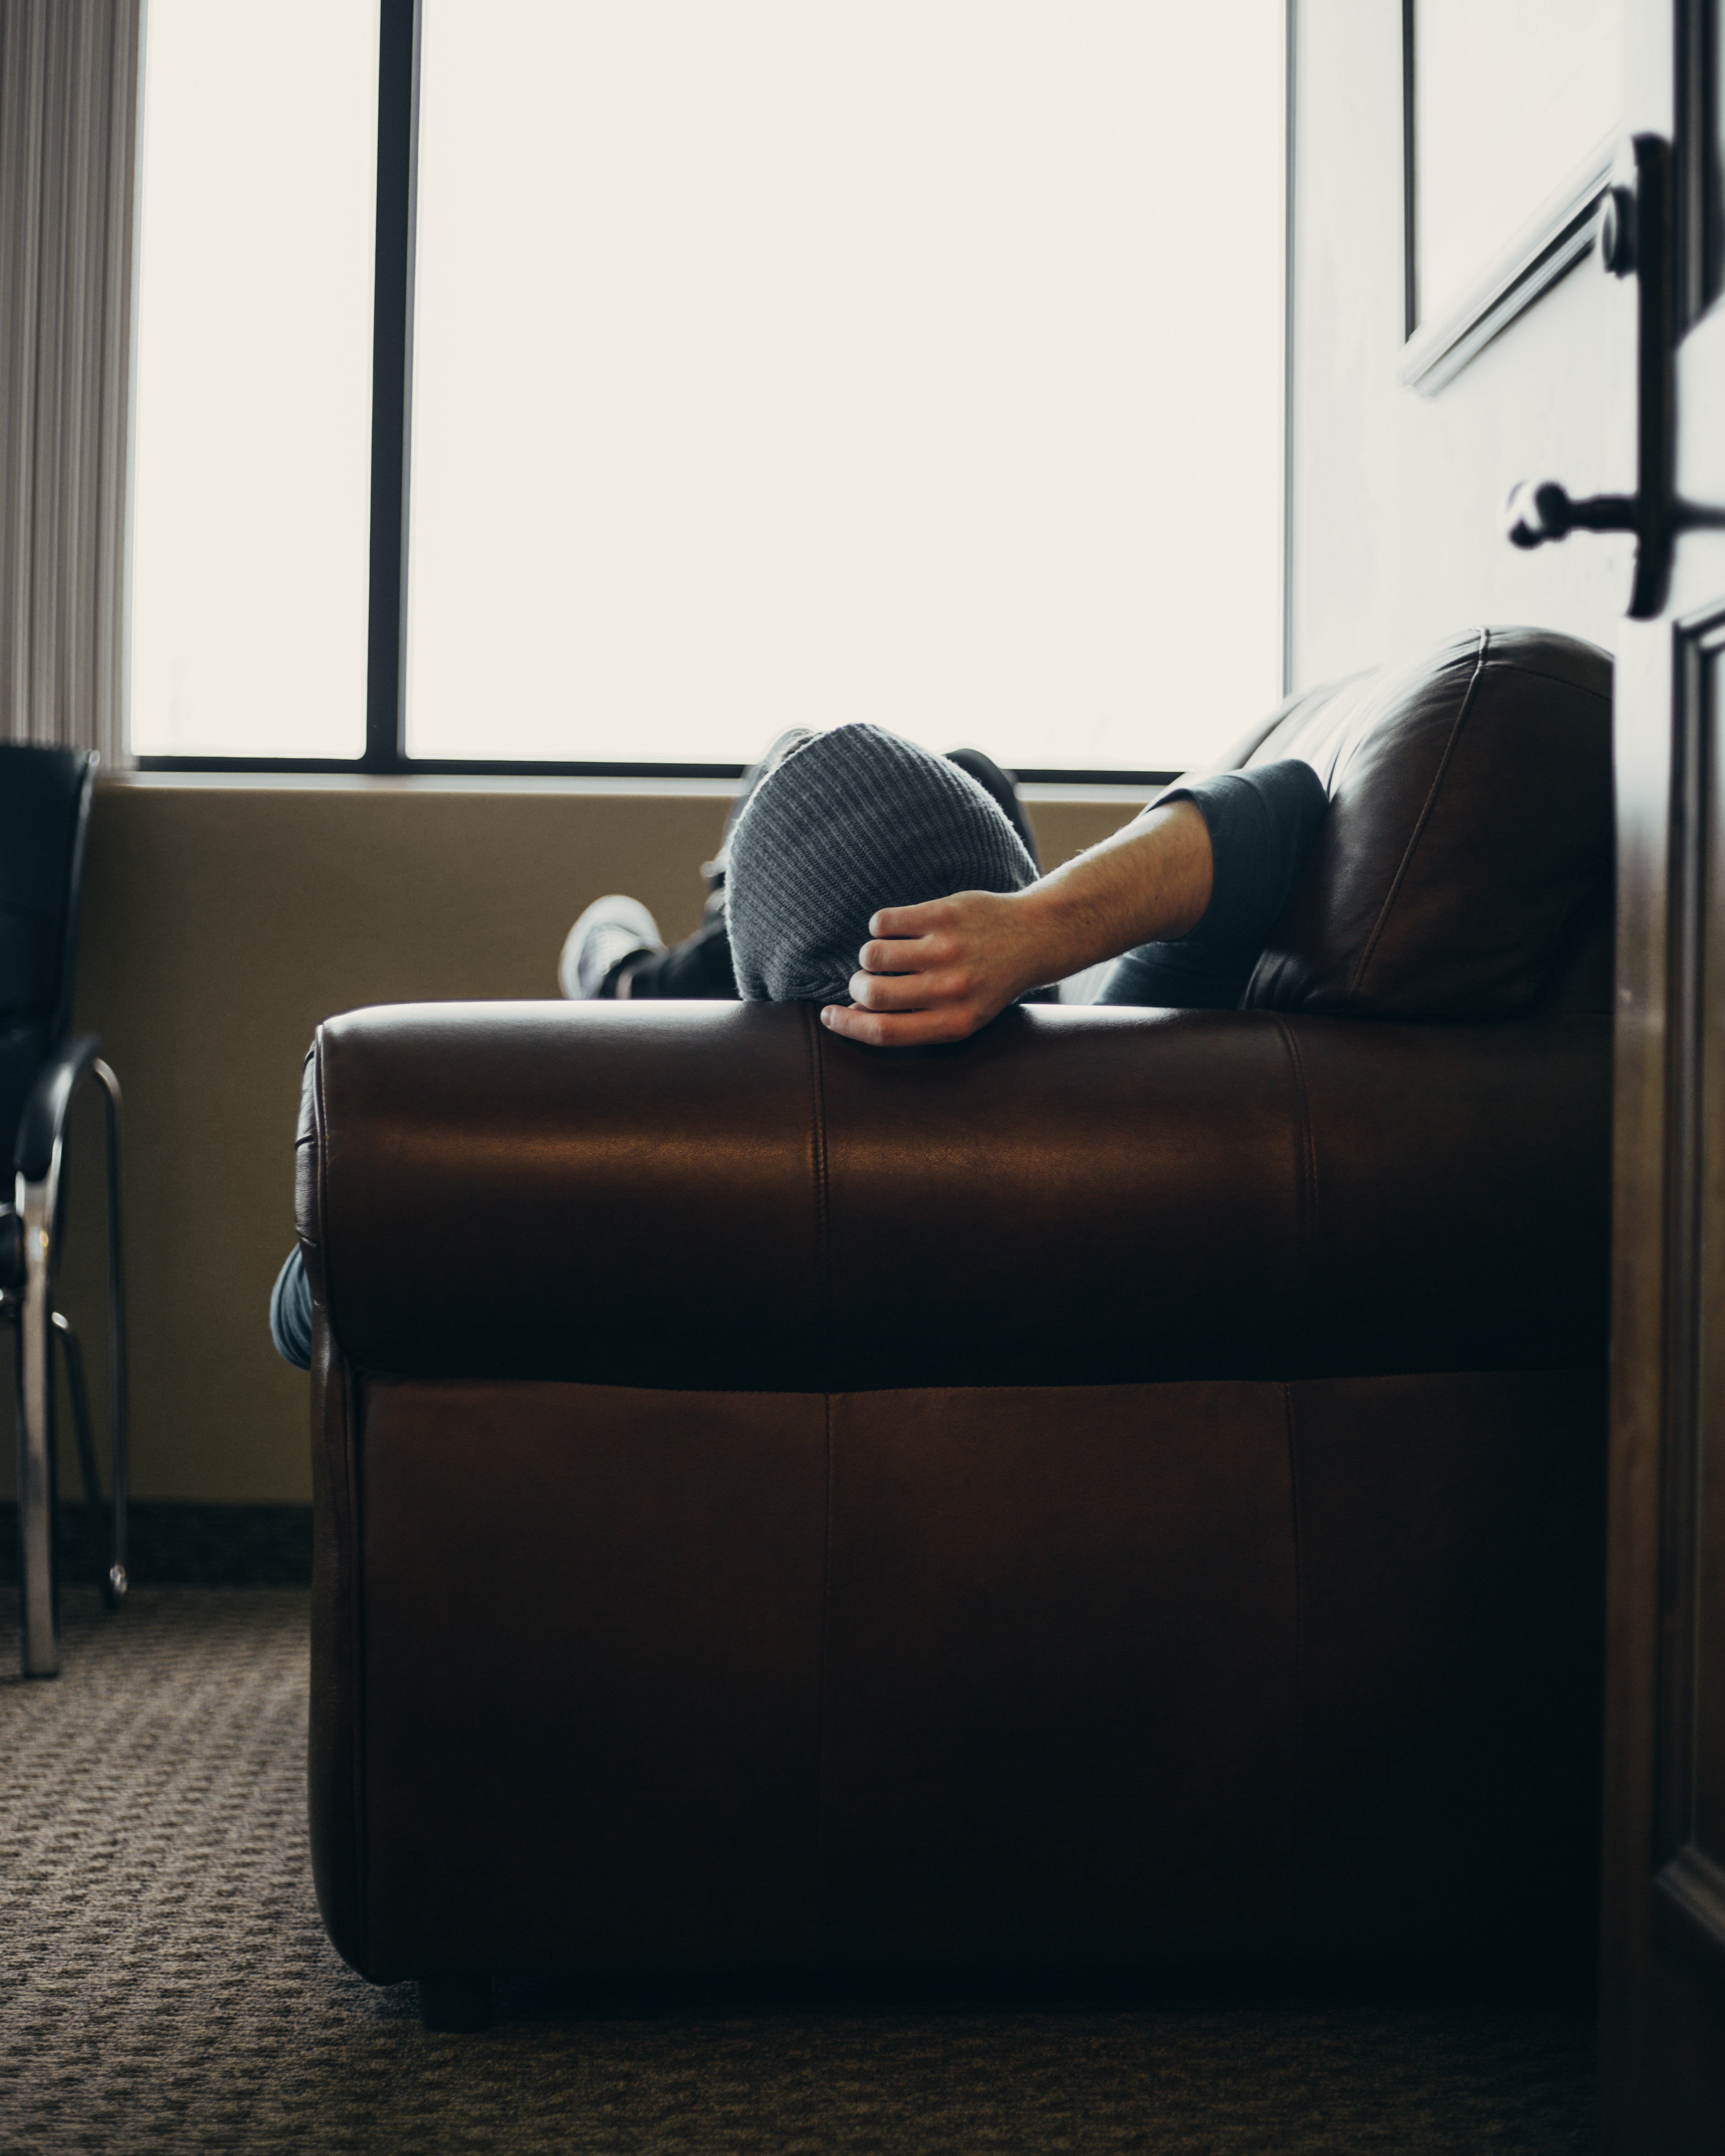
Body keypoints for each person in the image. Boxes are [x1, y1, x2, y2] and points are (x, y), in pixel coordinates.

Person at [268, 723, 1325, 1370]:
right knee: (968, 773)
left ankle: (664, 965)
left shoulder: (636, 1168)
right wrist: (1042, 926)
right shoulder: (1130, 1077)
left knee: (796, 770)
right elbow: (1282, 807)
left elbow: (306, 1306)